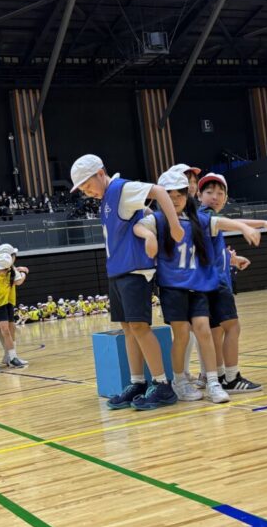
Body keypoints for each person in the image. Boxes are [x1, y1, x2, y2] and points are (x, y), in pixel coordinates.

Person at [70, 153, 184, 410]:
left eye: (88, 185)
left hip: (135, 270)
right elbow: (143, 213)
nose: (88, 192)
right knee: (128, 329)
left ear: (101, 173)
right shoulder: (107, 199)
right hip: (118, 271)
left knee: (140, 327)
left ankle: (162, 385)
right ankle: (138, 382)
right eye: (83, 190)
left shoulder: (122, 189)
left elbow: (159, 191)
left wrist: (174, 225)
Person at [134, 170, 256, 405]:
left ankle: (213, 381)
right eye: (169, 195)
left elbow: (221, 222)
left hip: (198, 285)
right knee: (181, 334)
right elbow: (138, 227)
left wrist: (245, 228)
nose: (175, 199)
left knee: (203, 330)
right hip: (172, 287)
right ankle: (179, 381)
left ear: (187, 195)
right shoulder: (158, 220)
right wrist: (149, 236)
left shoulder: (197, 220)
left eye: (179, 194)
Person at [197, 172, 267, 392]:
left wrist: (232, 260)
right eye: (209, 192)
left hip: (206, 282)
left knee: (216, 331)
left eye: (220, 193)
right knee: (232, 327)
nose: (215, 197)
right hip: (216, 282)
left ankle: (219, 375)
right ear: (199, 195)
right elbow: (234, 223)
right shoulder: (206, 215)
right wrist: (262, 222)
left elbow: (212, 248)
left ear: (226, 198)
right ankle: (232, 378)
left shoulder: (205, 219)